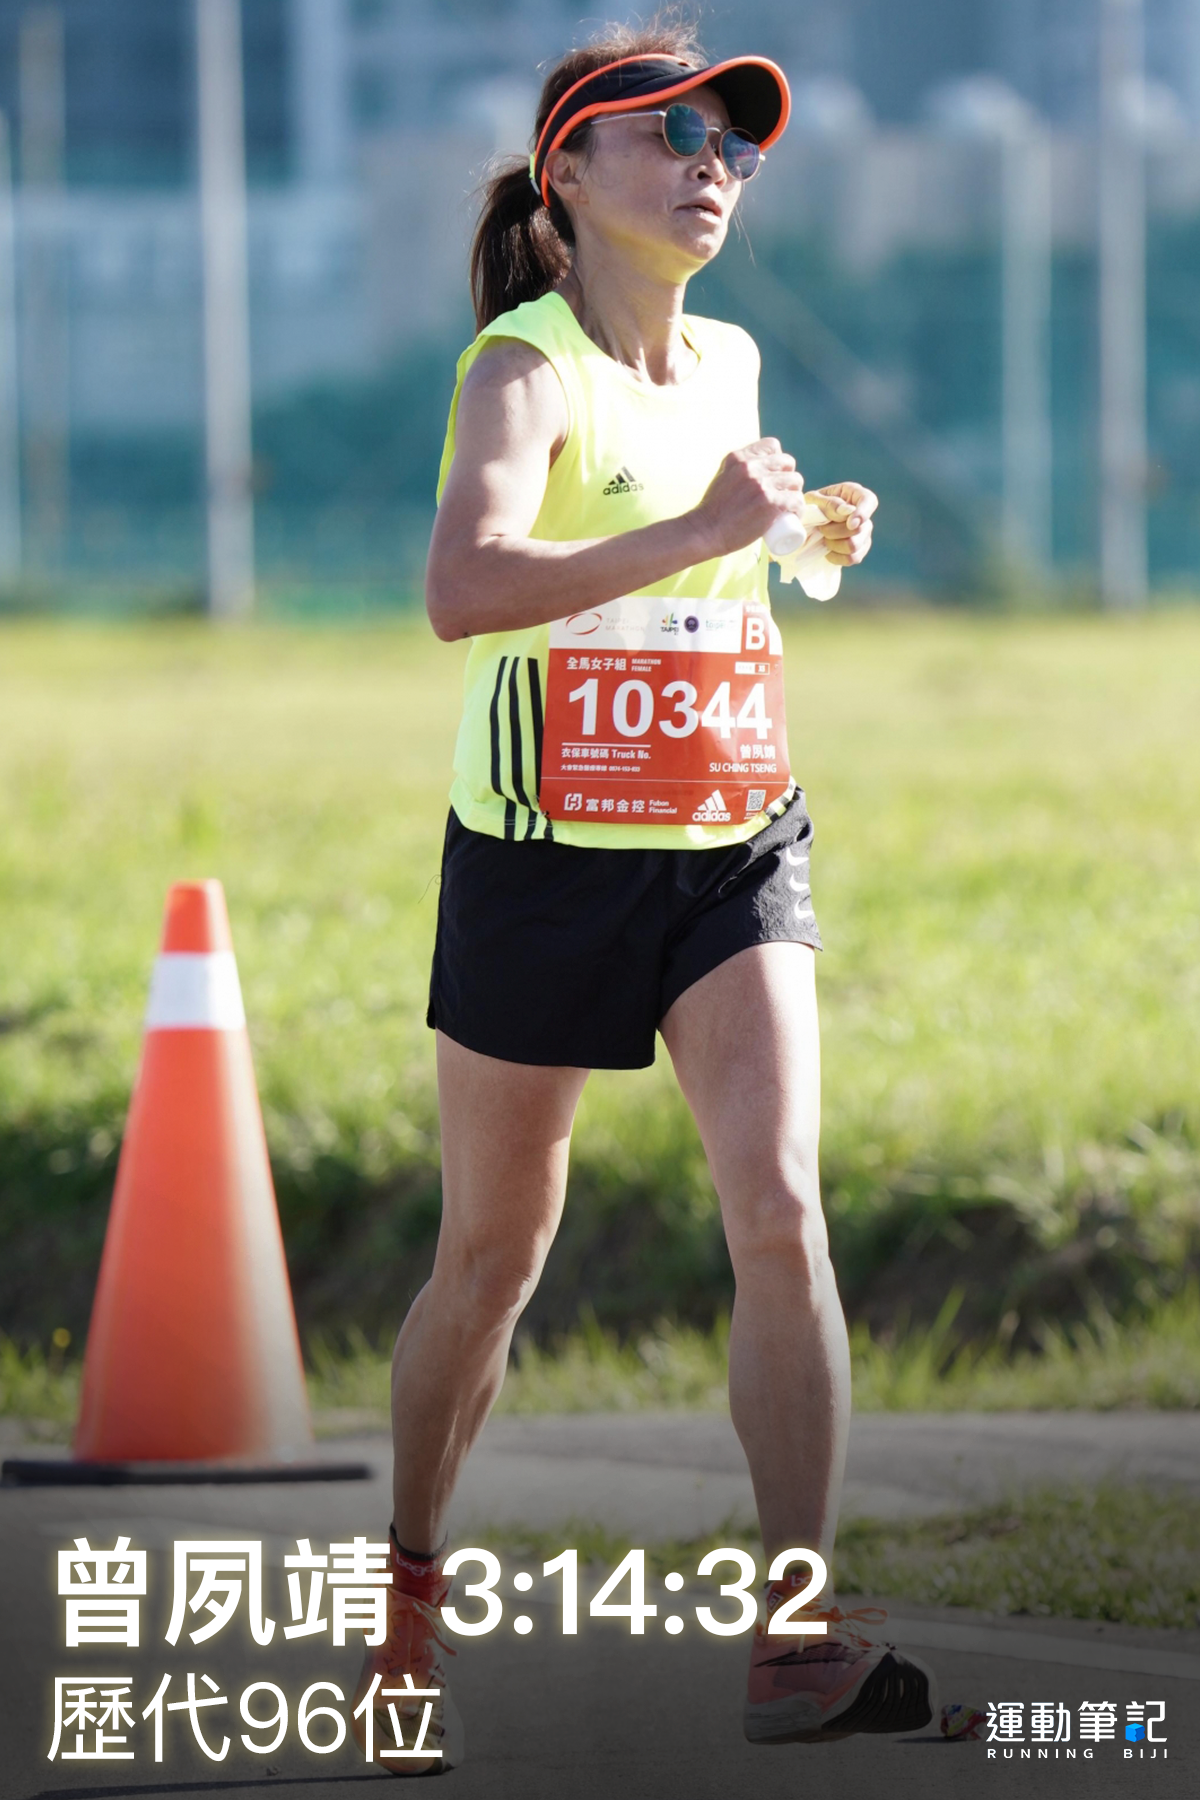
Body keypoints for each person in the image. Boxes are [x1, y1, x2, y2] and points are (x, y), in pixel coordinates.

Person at [353, 19, 937, 1774]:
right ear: (570, 174)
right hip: (541, 861)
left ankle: (795, 1640)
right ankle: (405, 1604)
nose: (714, 167)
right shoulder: (521, 370)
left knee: (781, 1210)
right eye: (673, 133)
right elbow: (465, 585)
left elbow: (710, 564)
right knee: (492, 1261)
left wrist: (796, 539)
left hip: (728, 840)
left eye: (735, 144)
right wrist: (700, 529)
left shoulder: (733, 361)